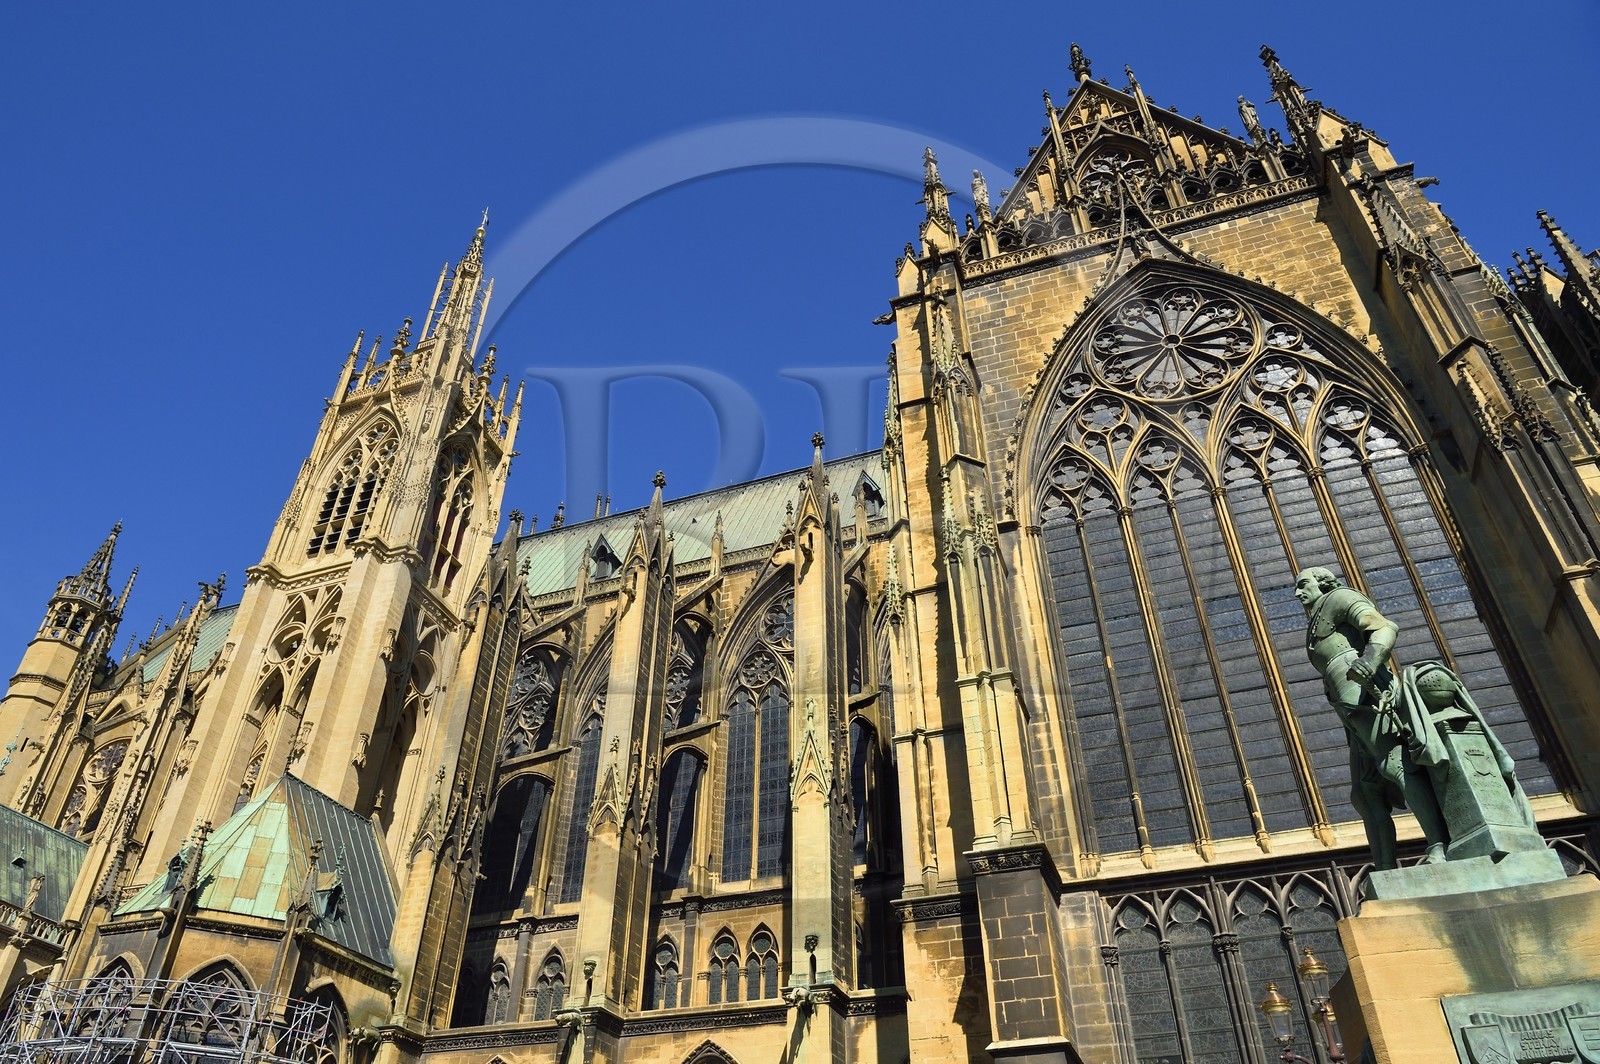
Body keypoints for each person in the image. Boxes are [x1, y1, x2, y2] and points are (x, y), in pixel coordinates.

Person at [1294, 566, 1449, 869]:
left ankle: (1439, 846)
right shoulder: (1316, 620)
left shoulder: (1339, 597)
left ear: (1323, 583)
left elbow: (1384, 627)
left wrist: (1370, 660)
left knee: (1395, 763)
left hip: (1365, 691)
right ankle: (1386, 870)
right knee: (1365, 794)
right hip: (1346, 703)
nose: (1298, 593)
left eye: (1303, 585)